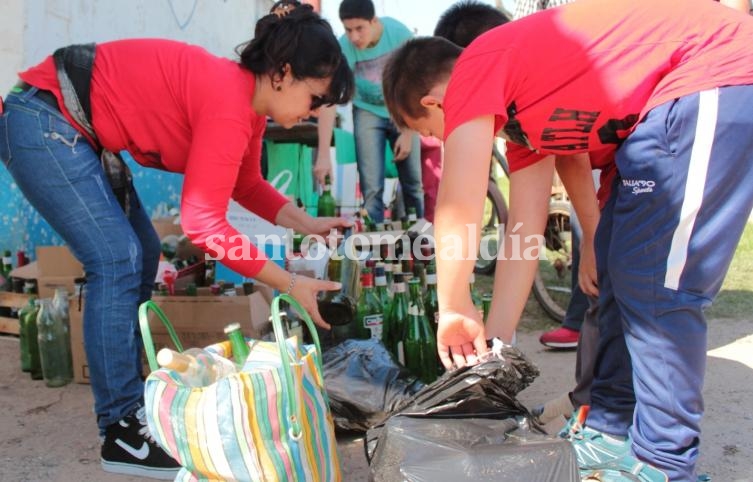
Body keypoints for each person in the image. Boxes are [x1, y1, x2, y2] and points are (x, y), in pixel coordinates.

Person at [382, 0, 753, 479]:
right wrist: (497, 341)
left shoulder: (475, 65)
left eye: (432, 132)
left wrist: (453, 306)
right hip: (660, 112)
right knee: (622, 274)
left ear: (433, 105)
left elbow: (460, 200)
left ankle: (664, 463)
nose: (445, 137)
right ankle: (611, 430)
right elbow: (523, 230)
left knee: (658, 288)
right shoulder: (523, 125)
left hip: (712, 71)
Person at [0, 6, 353, 479]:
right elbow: (204, 223)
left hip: (74, 126)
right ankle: (121, 428)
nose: (313, 112)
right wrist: (289, 283)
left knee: (140, 252)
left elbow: (245, 185)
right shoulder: (230, 101)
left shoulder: (246, 108)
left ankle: (134, 403)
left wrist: (306, 223)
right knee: (117, 259)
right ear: (283, 73)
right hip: (45, 117)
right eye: (315, 98)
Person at [314, 0, 423, 223]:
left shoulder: (398, 34)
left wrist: (408, 131)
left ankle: (421, 243)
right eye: (348, 29)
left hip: (402, 110)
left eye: (359, 29)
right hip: (367, 111)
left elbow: (417, 86)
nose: (354, 37)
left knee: (413, 182)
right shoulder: (343, 47)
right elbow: (330, 99)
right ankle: (373, 246)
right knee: (371, 186)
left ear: (374, 21)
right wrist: (323, 154)